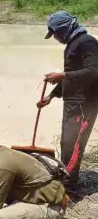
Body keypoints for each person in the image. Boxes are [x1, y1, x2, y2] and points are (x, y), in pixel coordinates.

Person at [37, 11, 98, 196]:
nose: (55, 37)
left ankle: (69, 187)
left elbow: (94, 71)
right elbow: (72, 73)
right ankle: (66, 177)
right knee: (66, 141)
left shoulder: (87, 42)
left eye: (56, 33)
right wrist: (52, 96)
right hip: (72, 102)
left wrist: (62, 75)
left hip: (85, 103)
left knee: (75, 144)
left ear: (65, 28)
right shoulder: (72, 44)